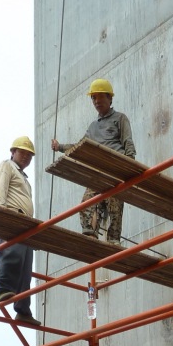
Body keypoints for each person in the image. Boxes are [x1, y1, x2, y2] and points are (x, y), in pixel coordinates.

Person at [51, 78, 136, 244]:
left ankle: (113, 240)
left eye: (100, 97)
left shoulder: (120, 119)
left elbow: (128, 144)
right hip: (97, 173)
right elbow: (79, 146)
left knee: (114, 207)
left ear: (110, 98)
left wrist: (128, 169)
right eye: (93, 98)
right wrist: (60, 147)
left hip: (115, 170)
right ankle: (90, 235)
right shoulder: (92, 127)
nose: (97, 101)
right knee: (87, 205)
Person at [0, 136, 40, 326]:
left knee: (25, 267)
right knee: (11, 253)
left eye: (30, 155)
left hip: (26, 222)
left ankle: (23, 309)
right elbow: (0, 191)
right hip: (12, 215)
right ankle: (2, 288)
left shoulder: (24, 179)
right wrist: (2, 215)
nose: (26, 157)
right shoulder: (7, 166)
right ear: (13, 152)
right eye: (23, 153)